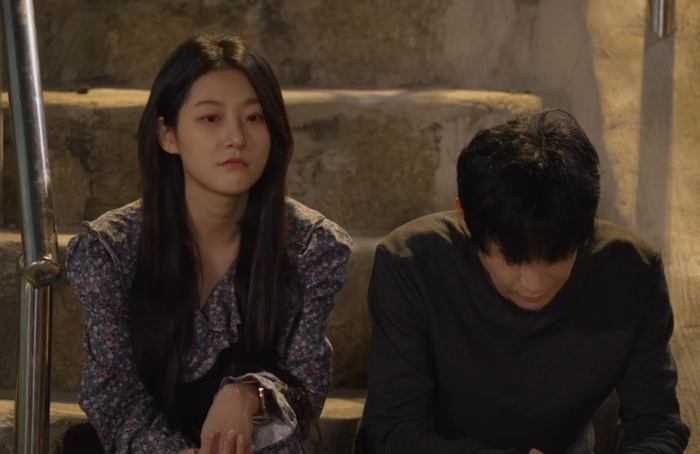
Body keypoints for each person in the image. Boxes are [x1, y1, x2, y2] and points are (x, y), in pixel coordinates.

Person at [61, 33, 353, 454]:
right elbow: (113, 395)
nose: (236, 137)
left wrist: (249, 394)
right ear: (168, 135)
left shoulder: (311, 246)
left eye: (254, 117)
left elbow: (305, 387)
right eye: (211, 118)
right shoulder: (110, 250)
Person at [356, 109, 690, 454]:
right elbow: (392, 431)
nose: (533, 284)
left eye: (557, 257)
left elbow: (658, 426)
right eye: (512, 259)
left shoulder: (632, 270)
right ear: (466, 219)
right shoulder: (412, 264)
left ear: (587, 228)